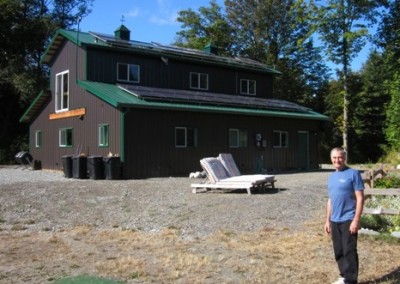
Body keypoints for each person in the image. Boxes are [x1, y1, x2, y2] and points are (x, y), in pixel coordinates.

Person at [324, 147, 365, 284]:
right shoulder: (331, 177)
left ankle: (351, 279)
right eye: (335, 158)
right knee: (339, 250)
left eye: (340, 157)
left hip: (348, 218)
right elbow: (330, 200)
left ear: (344, 158)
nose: (337, 160)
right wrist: (327, 220)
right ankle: (344, 276)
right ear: (331, 159)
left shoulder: (353, 174)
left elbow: (360, 198)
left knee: (349, 250)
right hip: (335, 219)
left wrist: (356, 220)